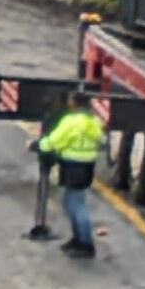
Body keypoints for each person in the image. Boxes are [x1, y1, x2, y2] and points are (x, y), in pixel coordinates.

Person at [37, 101, 104, 254]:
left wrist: (39, 145)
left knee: (75, 204)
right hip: (87, 166)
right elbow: (100, 140)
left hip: (73, 165)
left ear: (73, 104)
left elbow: (56, 140)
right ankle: (78, 239)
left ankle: (86, 244)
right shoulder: (94, 122)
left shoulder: (71, 122)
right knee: (70, 202)